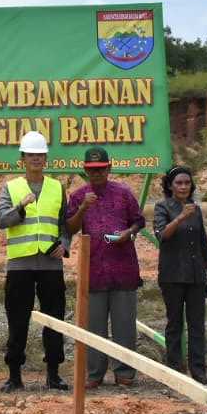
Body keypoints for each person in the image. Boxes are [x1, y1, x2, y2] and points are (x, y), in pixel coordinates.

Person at [0, 130, 71, 392]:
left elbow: (64, 224)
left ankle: (53, 373)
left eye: (40, 155)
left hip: (51, 264)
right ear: (22, 159)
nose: (36, 159)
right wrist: (20, 208)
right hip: (20, 265)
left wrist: (65, 245)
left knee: (54, 319)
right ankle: (14, 375)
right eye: (31, 155)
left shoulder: (57, 187)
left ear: (46, 158)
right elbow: (1, 220)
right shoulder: (11, 188)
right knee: (17, 320)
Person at [66, 147, 146, 388]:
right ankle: (94, 374)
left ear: (109, 168)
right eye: (92, 170)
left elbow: (139, 221)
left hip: (123, 269)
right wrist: (82, 209)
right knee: (94, 326)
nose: (97, 174)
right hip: (93, 271)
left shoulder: (123, 193)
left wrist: (128, 233)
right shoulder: (79, 196)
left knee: (124, 325)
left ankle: (124, 372)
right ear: (85, 170)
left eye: (101, 169)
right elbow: (69, 228)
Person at [152, 165, 207, 385]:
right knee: (175, 324)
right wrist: (179, 218)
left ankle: (199, 371)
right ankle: (176, 371)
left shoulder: (195, 209)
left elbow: (202, 241)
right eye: (179, 183)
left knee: (197, 324)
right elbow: (162, 236)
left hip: (196, 274)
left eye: (187, 183)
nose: (183, 186)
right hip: (172, 275)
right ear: (170, 186)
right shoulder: (162, 207)